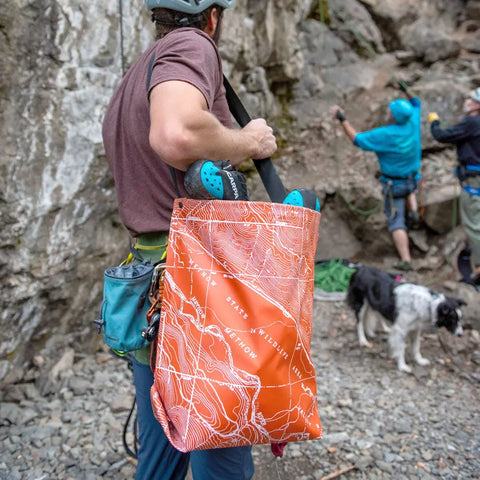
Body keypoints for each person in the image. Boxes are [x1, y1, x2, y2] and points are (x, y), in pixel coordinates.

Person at [102, 1, 277, 478]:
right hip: (195, 286)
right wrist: (250, 142)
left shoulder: (138, 74)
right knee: (221, 452)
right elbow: (176, 133)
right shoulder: (191, 44)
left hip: (150, 286)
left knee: (162, 453)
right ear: (213, 16)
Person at [330, 85, 422, 271]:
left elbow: (357, 139)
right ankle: (414, 211)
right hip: (413, 178)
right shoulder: (414, 121)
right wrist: (405, 89)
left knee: (396, 221)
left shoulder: (386, 135)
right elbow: (416, 102)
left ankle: (406, 260)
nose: (387, 111)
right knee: (409, 189)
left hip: (393, 184)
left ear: (393, 116)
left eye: (390, 110)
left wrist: (343, 119)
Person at [429, 88, 480, 287]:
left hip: (474, 180)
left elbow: (442, 135)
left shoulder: (472, 122)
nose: (467, 101)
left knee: (474, 224)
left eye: (471, 99)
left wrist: (434, 121)